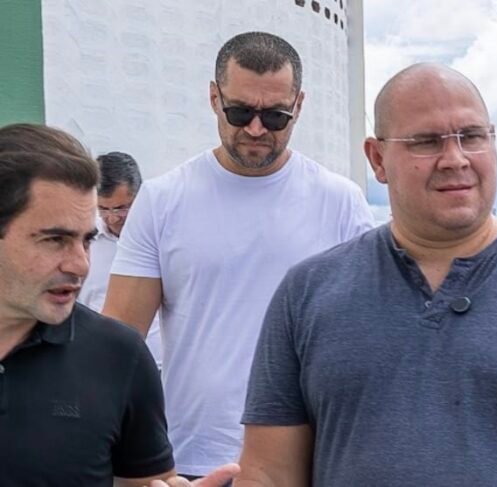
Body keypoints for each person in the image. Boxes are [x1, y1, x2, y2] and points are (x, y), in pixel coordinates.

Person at [236, 64, 497, 486]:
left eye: (472, 137)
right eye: (426, 142)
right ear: (377, 159)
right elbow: (269, 473)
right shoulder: (306, 294)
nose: (456, 159)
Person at [102, 31, 374, 478]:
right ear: (214, 97)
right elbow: (118, 342)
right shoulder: (163, 199)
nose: (256, 128)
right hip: (191, 460)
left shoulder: (341, 202)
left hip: (306, 463)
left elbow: (365, 341)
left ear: (299, 105)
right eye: (240, 111)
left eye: (276, 116)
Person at [0, 123, 238, 486]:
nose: (80, 264)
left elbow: (147, 483)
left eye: (86, 240)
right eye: (54, 239)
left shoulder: (119, 357)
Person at [78, 151, 162, 367]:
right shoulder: (82, 242)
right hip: (98, 362)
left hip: (157, 364)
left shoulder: (163, 237)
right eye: (103, 209)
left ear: (140, 196)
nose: (113, 218)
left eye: (122, 208)